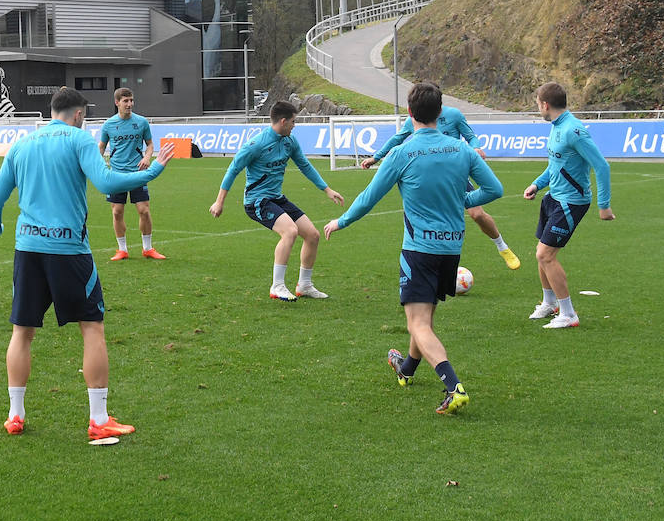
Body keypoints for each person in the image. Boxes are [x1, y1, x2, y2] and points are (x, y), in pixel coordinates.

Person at [0, 87, 175, 439]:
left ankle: (15, 415)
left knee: (22, 332)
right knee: (91, 326)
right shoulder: (79, 139)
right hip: (68, 250)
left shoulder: (22, 144)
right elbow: (106, 181)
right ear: (78, 114)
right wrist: (153, 171)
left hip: (28, 249)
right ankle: (99, 419)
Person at [324, 82, 503, 415]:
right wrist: (466, 199)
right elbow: (494, 189)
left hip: (419, 248)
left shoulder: (402, 153)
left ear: (409, 114)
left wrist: (341, 221)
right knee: (425, 315)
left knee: (417, 323)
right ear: (440, 113)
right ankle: (406, 368)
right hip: (452, 247)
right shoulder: (460, 149)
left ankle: (454, 387)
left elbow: (368, 199)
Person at [361, 91, 521, 271]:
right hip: (427, 175)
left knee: (476, 214)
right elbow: (398, 138)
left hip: (453, 174)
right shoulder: (414, 119)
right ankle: (436, 258)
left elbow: (471, 136)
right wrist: (376, 157)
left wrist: (476, 147)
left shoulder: (454, 115)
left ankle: (502, 246)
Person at [208, 101, 345, 300]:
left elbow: (305, 166)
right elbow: (233, 169)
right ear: (283, 121)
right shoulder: (256, 144)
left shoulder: (290, 142)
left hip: (276, 198)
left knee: (313, 235)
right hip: (257, 201)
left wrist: (327, 189)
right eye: (293, 121)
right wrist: (219, 202)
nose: (295, 125)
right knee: (290, 231)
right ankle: (277, 286)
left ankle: (304, 285)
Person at [523, 81, 614, 329]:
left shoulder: (574, 130)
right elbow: (556, 165)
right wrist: (537, 184)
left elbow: (601, 166)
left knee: (546, 255)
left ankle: (568, 314)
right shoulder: (556, 127)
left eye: (537, 104)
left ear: (545, 104)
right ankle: (549, 303)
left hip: (572, 201)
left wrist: (604, 205)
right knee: (541, 253)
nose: (538, 108)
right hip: (554, 197)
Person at [99, 87, 165, 260]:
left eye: (131, 100)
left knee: (143, 210)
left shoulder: (142, 122)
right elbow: (101, 146)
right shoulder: (109, 125)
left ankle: (148, 248)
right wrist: (97, 165)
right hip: (116, 174)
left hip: (137, 173)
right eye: (125, 101)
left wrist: (147, 157)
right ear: (117, 103)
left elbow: (150, 145)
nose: (129, 104)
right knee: (117, 212)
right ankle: (122, 250)